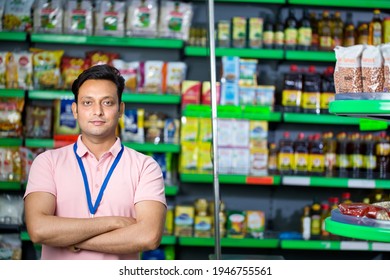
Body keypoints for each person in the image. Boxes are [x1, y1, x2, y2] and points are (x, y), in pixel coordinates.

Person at [23, 64, 167, 260]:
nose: (97, 111)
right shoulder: (47, 162)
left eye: (107, 103)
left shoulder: (145, 166)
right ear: (75, 110)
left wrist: (71, 239)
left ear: (120, 109)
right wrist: (113, 222)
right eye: (87, 103)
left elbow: (149, 236)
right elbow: (38, 229)